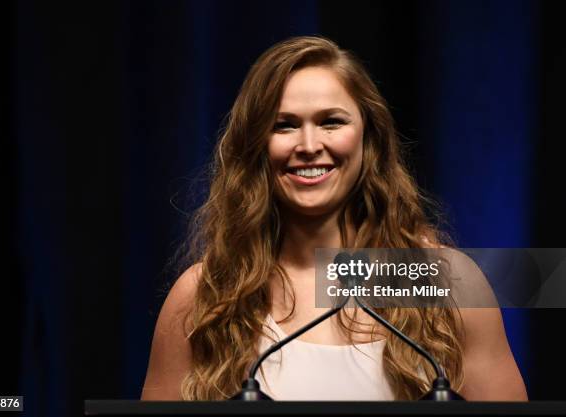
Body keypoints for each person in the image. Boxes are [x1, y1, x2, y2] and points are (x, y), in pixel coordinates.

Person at [141, 36, 527, 401]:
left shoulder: (440, 281)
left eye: (331, 122)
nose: (309, 146)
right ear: (256, 145)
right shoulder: (205, 294)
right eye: (284, 125)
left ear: (368, 138)